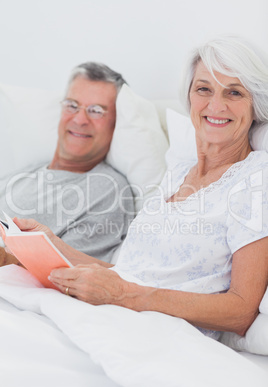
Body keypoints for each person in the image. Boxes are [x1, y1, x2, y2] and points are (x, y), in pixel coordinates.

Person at [8, 35, 268, 339]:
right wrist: (53, 246)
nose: (215, 105)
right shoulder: (180, 172)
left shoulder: (254, 181)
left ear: (255, 105)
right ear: (189, 97)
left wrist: (124, 296)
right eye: (203, 89)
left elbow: (240, 311)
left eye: (234, 92)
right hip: (117, 316)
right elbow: (128, 274)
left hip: (159, 335)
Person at [0, 62, 134, 263]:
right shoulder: (22, 175)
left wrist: (5, 259)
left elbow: (70, 275)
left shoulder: (108, 189)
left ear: (116, 122)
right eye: (72, 105)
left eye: (96, 110)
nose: (80, 119)